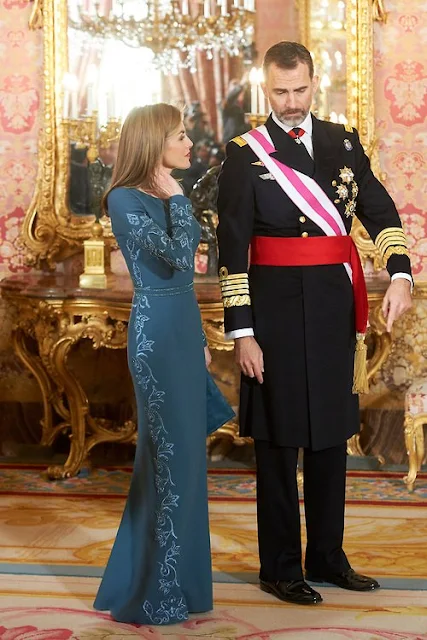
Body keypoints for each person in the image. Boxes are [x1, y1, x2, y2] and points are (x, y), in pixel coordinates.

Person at [216, 42, 412, 606]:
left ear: (313, 82)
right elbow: (231, 251)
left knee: (329, 435)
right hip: (272, 313)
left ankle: (327, 555)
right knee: (278, 441)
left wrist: (400, 273)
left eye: (300, 90)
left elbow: (380, 209)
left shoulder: (341, 142)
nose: (292, 101)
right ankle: (279, 567)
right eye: (280, 92)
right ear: (265, 89)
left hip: (331, 306)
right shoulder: (244, 154)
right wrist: (242, 331)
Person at [94, 104, 233, 624]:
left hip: (180, 332)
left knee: (184, 465)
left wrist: (198, 336)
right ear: (155, 143)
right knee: (168, 462)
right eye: (180, 135)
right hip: (153, 340)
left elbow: (187, 279)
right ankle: (156, 593)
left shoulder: (161, 195)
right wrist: (179, 200)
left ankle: (182, 587)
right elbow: (180, 254)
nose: (189, 142)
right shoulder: (125, 199)